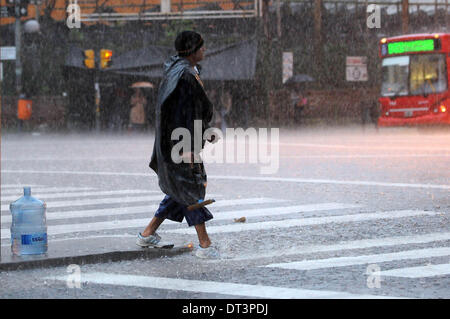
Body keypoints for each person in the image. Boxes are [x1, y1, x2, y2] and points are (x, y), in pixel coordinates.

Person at [137, 30, 219, 259]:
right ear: (192, 51)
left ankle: (147, 233)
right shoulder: (184, 76)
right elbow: (185, 114)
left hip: (178, 140)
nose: (205, 50)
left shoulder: (180, 70)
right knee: (189, 189)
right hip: (181, 143)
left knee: (178, 189)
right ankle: (205, 245)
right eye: (202, 47)